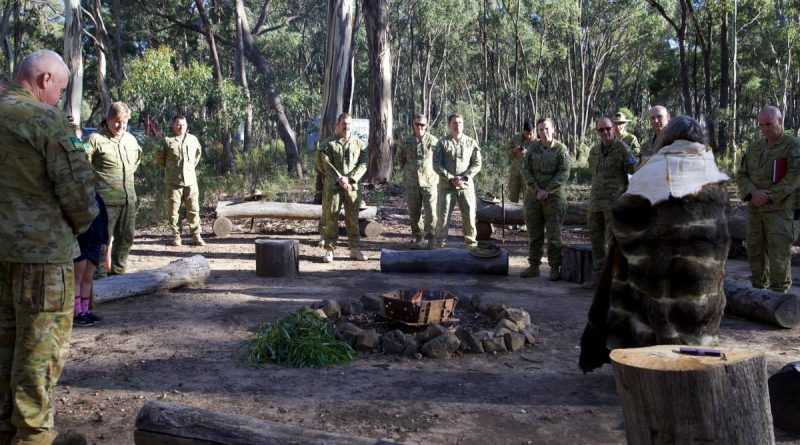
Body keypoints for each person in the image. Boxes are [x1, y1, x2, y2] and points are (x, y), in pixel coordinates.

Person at [579, 116, 730, 372]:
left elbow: (625, 222)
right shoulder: (711, 171)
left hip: (654, 276)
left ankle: (647, 369)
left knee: (653, 324)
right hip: (700, 278)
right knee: (692, 327)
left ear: (667, 138)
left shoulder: (652, 170)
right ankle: (693, 366)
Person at [0, 49, 97, 444]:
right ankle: (34, 436)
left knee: (4, 346)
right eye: (59, 89)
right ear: (43, 81)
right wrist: (79, 226)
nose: (58, 97)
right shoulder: (43, 121)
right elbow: (79, 194)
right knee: (38, 356)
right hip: (41, 258)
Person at [736, 106, 800, 292]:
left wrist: (769, 196)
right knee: (755, 250)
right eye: (761, 125)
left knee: (779, 253)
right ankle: (759, 294)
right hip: (756, 209)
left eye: (769, 124)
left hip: (781, 210)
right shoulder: (755, 146)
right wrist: (753, 193)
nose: (764, 129)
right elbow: (742, 174)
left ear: (780, 122)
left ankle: (780, 295)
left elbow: (795, 176)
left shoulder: (793, 146)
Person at [86, 102, 142, 276]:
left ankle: (118, 271)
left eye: (124, 122)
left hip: (128, 200)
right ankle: (98, 275)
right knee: (102, 240)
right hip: (104, 202)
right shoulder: (95, 139)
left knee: (126, 237)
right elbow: (81, 160)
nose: (120, 126)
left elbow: (136, 161)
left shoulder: (131, 140)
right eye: (116, 121)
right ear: (108, 119)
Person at [584, 116, 636, 288]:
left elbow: (633, 173)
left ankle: (614, 279)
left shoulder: (623, 149)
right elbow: (593, 173)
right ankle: (599, 277)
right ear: (597, 132)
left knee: (613, 241)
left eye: (608, 128)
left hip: (614, 203)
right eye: (601, 130)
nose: (605, 132)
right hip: (595, 203)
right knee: (596, 239)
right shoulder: (594, 151)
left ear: (613, 128)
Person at [520, 118, 571, 280]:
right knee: (534, 233)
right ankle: (534, 266)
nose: (544, 132)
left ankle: (555, 267)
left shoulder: (561, 149)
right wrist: (537, 190)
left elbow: (564, 173)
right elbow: (526, 170)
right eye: (541, 129)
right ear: (538, 131)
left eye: (547, 128)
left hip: (554, 198)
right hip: (533, 197)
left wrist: (546, 191)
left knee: (554, 234)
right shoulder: (532, 147)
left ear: (553, 130)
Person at [318, 113, 368, 262]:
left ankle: (355, 250)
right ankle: (329, 250)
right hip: (333, 187)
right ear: (337, 125)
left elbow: (363, 163)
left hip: (352, 187)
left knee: (352, 218)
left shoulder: (359, 144)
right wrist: (339, 178)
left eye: (349, 124)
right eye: (344, 124)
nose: (346, 127)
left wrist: (351, 178)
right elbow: (323, 164)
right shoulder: (326, 144)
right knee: (331, 217)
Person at [433, 113, 482, 248]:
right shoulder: (442, 143)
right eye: (454, 122)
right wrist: (450, 178)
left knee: (469, 217)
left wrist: (465, 177)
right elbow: (436, 164)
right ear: (449, 125)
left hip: (465, 186)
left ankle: (471, 245)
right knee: (442, 218)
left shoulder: (471, 142)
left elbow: (477, 164)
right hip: (446, 187)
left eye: (460, 122)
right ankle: (439, 246)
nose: (457, 125)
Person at [156, 115, 205, 247]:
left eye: (183, 124)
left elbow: (197, 156)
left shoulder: (193, 140)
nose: (180, 127)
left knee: (194, 209)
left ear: (187, 125)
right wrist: (172, 169)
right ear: (173, 125)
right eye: (178, 124)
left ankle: (196, 235)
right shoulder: (167, 141)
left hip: (190, 182)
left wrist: (188, 169)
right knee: (173, 211)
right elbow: (160, 159)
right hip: (173, 182)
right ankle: (176, 236)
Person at [396, 114, 439, 248]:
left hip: (429, 182)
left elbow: (439, 160)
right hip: (412, 182)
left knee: (431, 212)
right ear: (413, 125)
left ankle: (431, 239)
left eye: (422, 125)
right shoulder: (406, 141)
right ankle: (419, 238)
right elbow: (400, 159)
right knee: (414, 212)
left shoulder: (433, 141)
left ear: (426, 126)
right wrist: (408, 173)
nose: (419, 127)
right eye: (417, 124)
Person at [73, 194, 108, 327]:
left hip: (95, 243)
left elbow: (104, 220)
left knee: (88, 278)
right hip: (80, 243)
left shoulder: (98, 198)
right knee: (77, 278)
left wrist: (104, 240)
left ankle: (85, 310)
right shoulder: (74, 197)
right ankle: (77, 313)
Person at [506, 119, 535, 204]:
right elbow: (507, 151)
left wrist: (526, 153)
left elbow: (539, 157)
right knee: (512, 197)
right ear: (523, 130)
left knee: (528, 199)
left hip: (528, 174)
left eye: (531, 134)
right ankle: (512, 216)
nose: (528, 136)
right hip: (515, 172)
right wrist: (514, 151)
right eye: (527, 133)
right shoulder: (516, 137)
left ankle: (526, 216)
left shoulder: (537, 142)